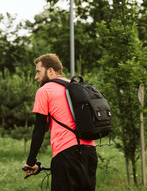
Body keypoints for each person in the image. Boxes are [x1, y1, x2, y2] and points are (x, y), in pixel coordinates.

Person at [22, 53, 98, 191]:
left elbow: (39, 130)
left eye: (38, 72)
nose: (36, 77)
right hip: (90, 153)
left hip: (66, 155)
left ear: (50, 71)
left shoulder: (44, 91)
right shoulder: (76, 86)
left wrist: (30, 162)